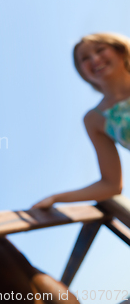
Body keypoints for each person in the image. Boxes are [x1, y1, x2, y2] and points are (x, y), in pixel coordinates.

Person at [33, 33, 130, 209]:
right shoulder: (95, 119)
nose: (94, 59)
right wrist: (55, 198)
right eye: (84, 59)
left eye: (100, 50)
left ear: (120, 51)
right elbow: (111, 184)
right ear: (82, 72)